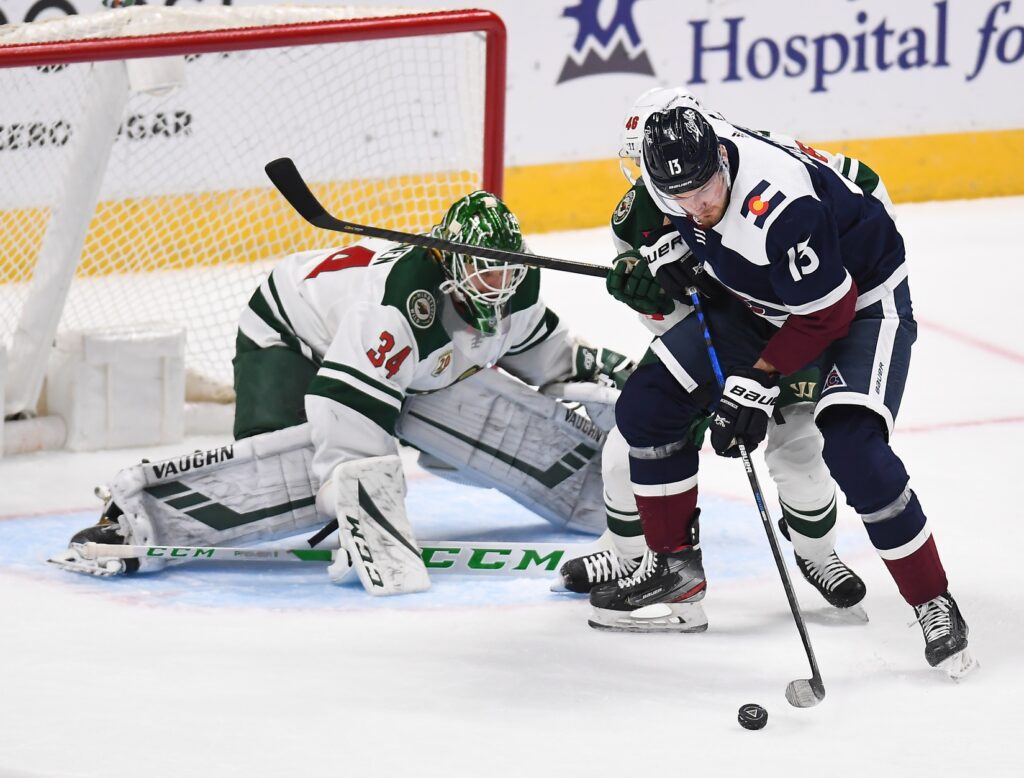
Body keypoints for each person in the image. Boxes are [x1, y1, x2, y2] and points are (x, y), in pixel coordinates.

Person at [50, 192, 635, 595]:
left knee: (472, 401)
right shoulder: (395, 307)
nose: (497, 286)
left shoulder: (514, 290)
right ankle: (138, 516)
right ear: (448, 263)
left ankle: (584, 487)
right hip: (288, 333)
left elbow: (547, 358)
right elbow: (347, 409)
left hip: (401, 366)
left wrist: (608, 375)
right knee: (297, 477)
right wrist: (364, 502)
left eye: (504, 272)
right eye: (482, 273)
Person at [598, 100, 975, 677]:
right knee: (648, 407)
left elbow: (827, 314)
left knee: (854, 449)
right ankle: (675, 571)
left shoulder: (778, 206)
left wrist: (757, 384)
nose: (699, 207)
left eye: (706, 190)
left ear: (722, 157)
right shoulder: (675, 177)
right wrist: (662, 245)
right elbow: (652, 209)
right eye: (681, 198)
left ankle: (932, 600)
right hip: (765, 302)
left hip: (861, 303)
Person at [560, 88, 867, 624]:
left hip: (789, 340)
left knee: (799, 458)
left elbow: (854, 217)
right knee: (630, 442)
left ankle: (818, 554)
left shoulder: (774, 179)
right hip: (712, 344)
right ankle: (634, 556)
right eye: (642, 168)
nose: (648, 181)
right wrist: (647, 293)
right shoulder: (638, 215)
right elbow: (667, 320)